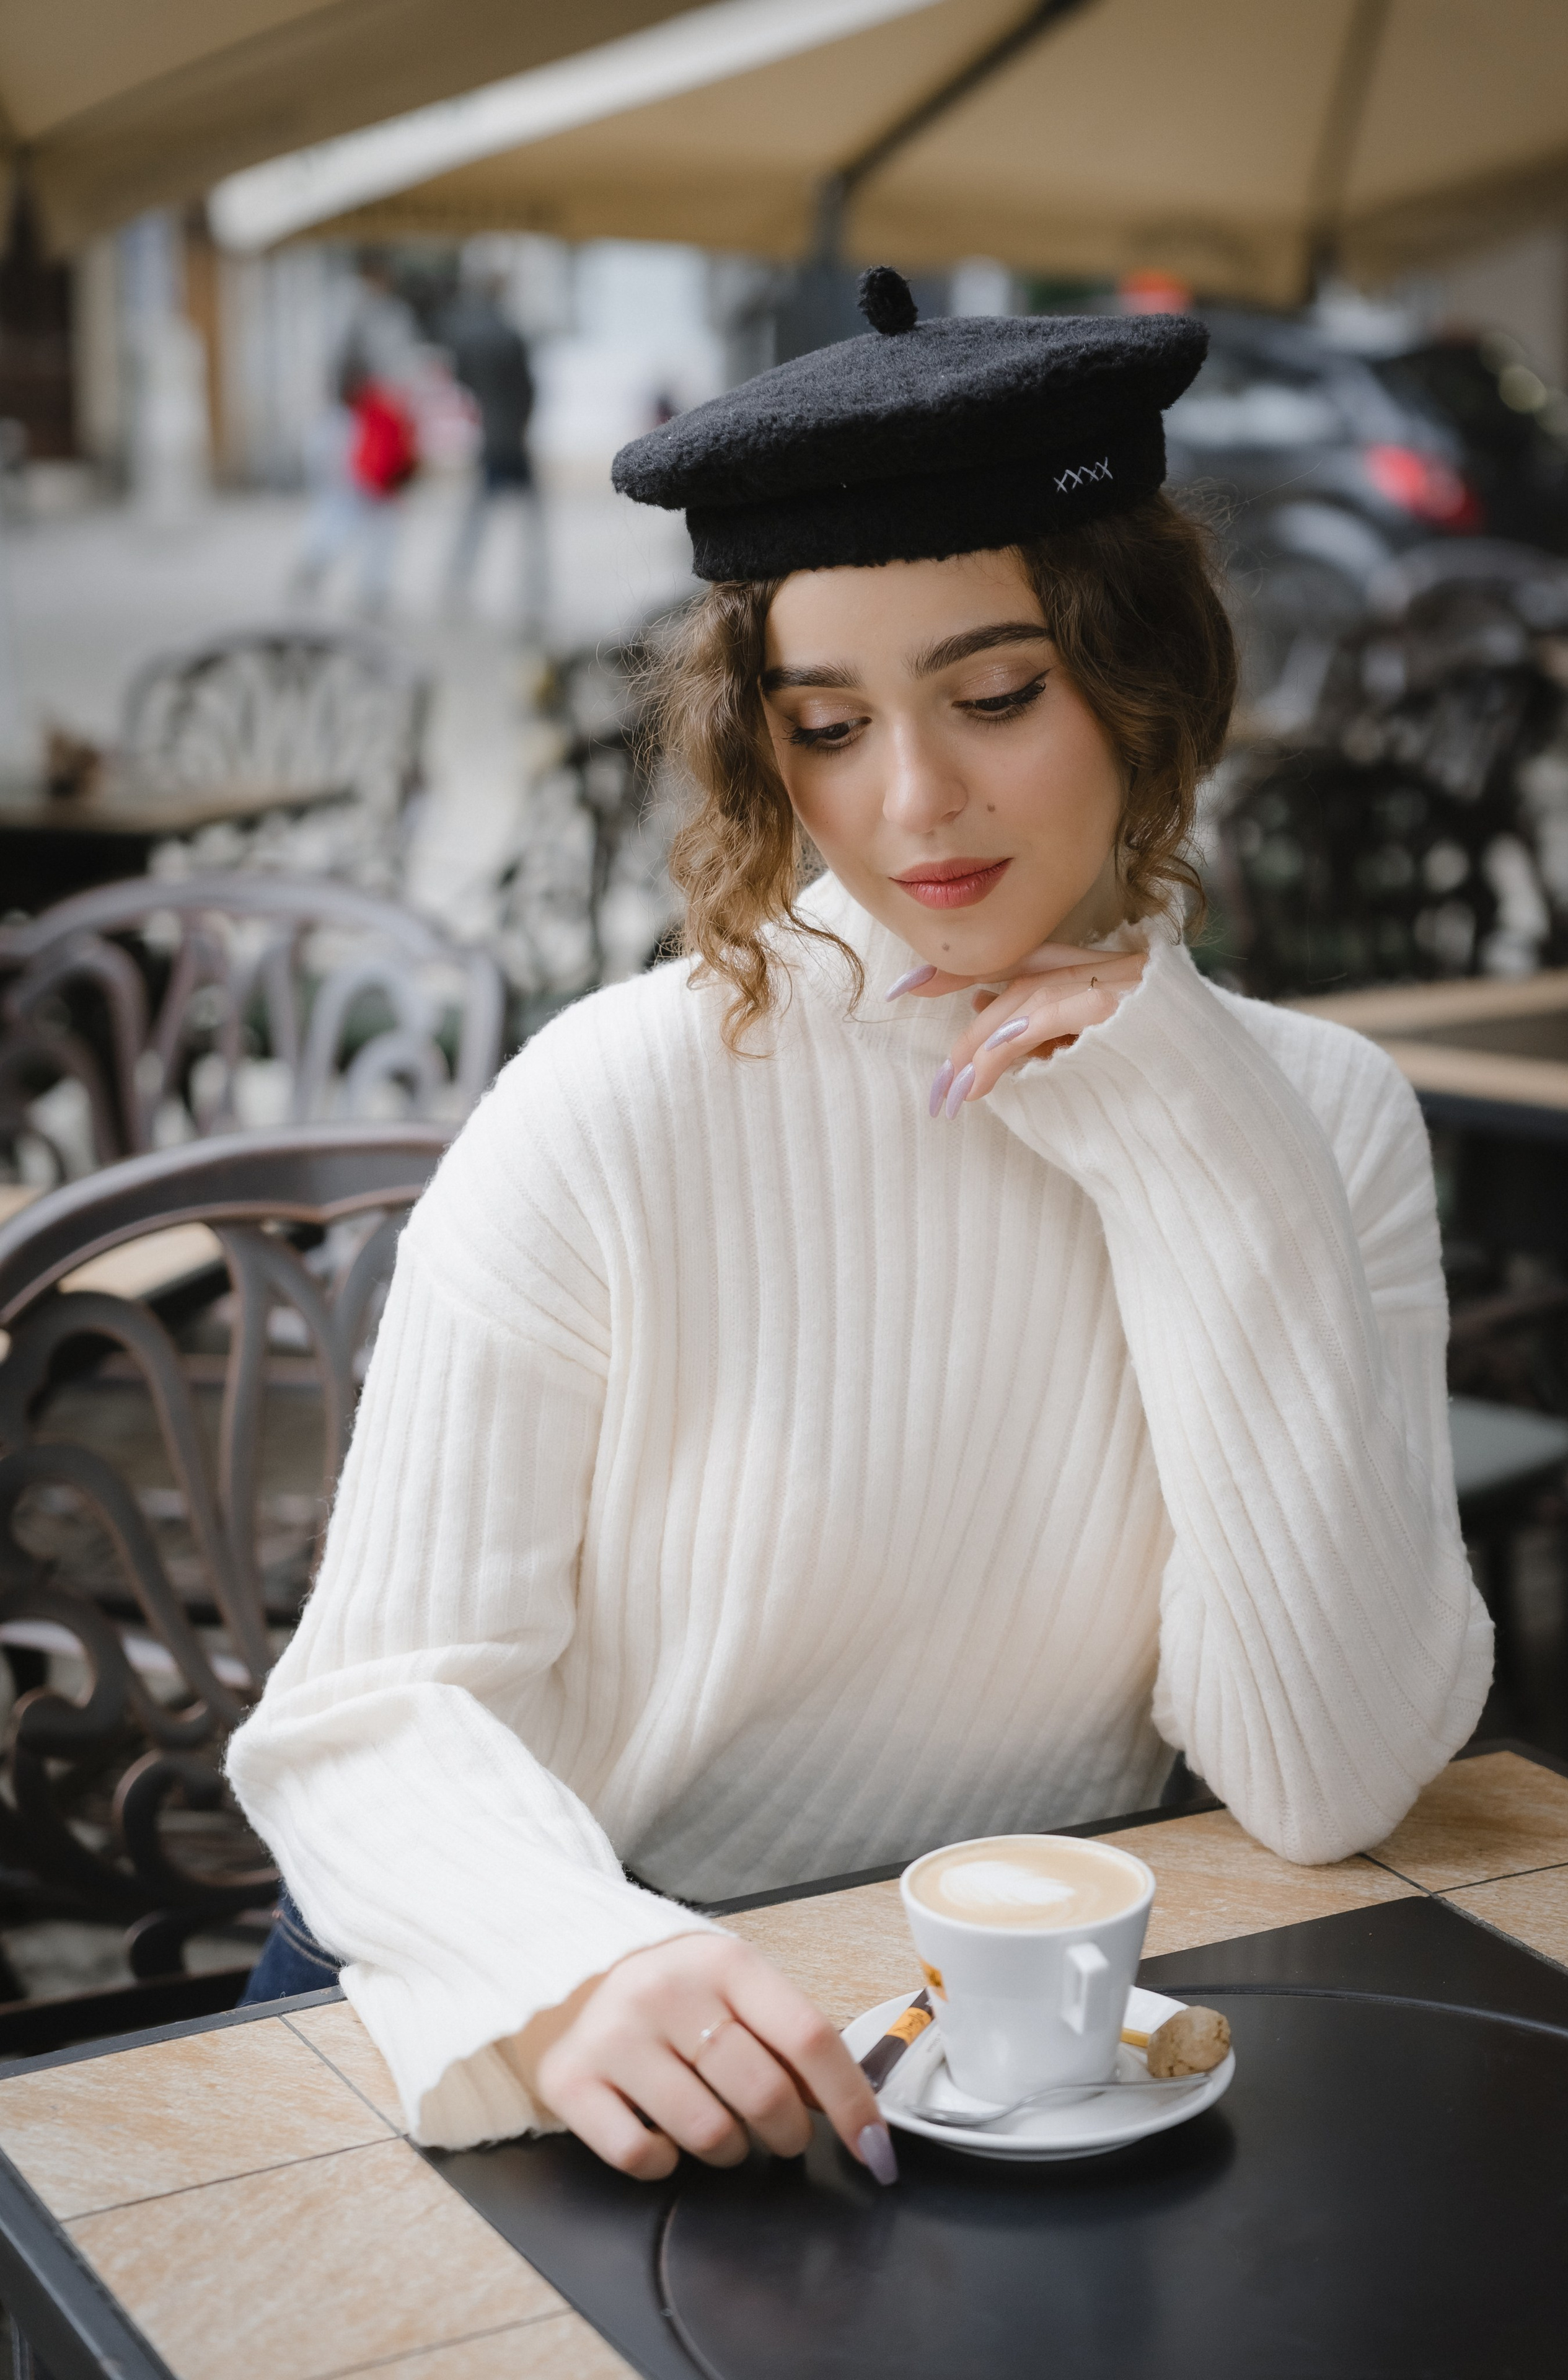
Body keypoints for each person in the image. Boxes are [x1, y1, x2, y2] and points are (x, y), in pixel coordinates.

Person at [231, 269, 1491, 2189]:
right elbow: (368, 1713)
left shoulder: (1319, 1120)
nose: (914, 802)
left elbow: (1323, 1780)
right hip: (542, 1998)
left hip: (993, 2027)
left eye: (996, 695)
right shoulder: (617, 1098)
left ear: (1144, 679)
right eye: (827, 724)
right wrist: (576, 1963)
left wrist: (1200, 1136)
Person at [441, 276, 545, 631]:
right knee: (529, 522)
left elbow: (461, 380)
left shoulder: (467, 336)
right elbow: (529, 390)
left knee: (477, 518)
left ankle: (457, 582)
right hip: (512, 438)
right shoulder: (510, 336)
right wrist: (521, 427)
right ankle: (533, 592)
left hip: (490, 437)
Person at [289, 355, 417, 617]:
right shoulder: (349, 418)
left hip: (372, 485)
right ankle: (328, 575)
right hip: (365, 485)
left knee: (370, 537)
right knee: (343, 531)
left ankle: (370, 590)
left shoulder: (365, 412)